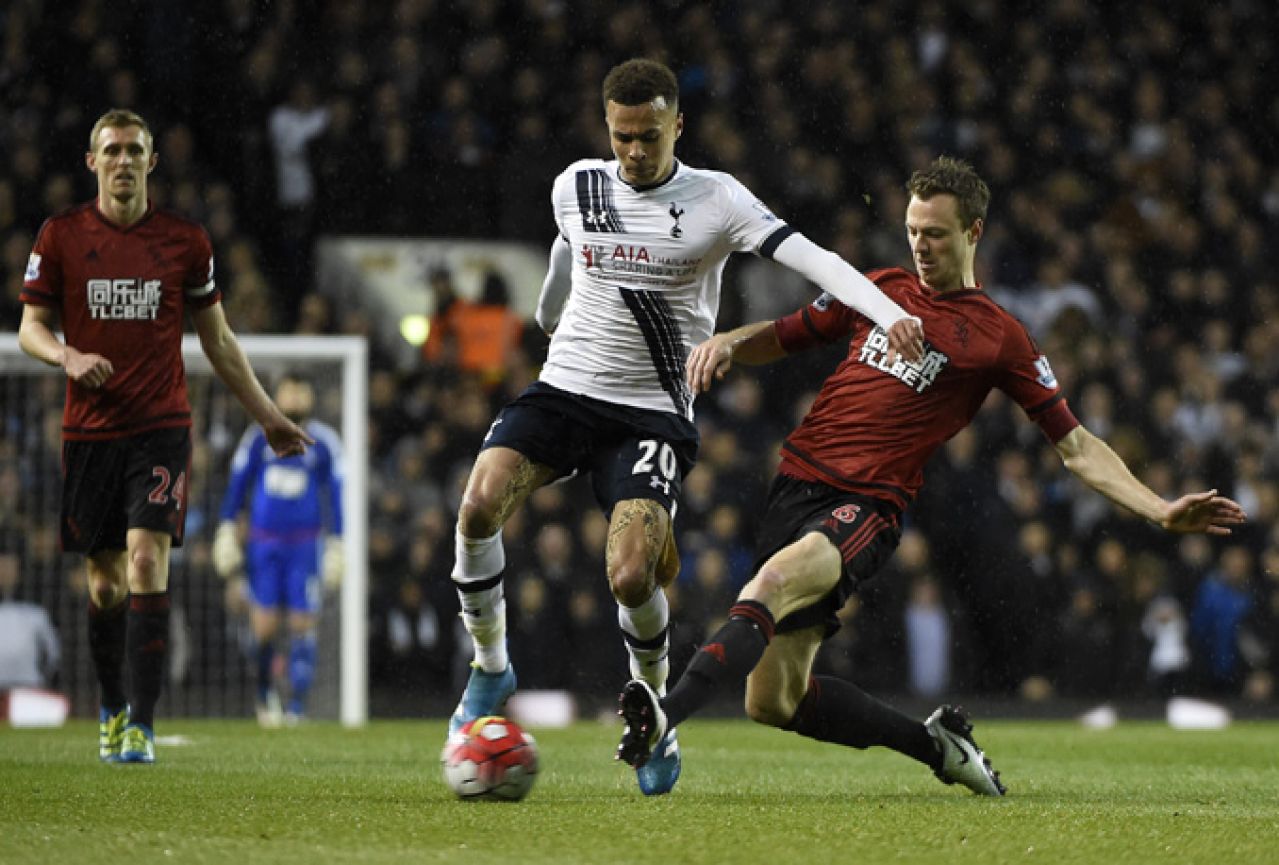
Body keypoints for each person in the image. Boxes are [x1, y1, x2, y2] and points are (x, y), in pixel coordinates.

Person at [615, 156, 1247, 796]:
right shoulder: (879, 287)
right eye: (914, 230)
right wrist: (728, 342)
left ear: (973, 232)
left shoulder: (999, 337)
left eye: (936, 234)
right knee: (773, 701)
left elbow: (1077, 446)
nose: (920, 245)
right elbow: (784, 335)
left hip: (866, 505)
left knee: (772, 582)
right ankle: (935, 744)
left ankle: (666, 714)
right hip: (796, 483)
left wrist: (1158, 507)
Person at [445, 58, 924, 797]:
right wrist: (548, 315)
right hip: (565, 388)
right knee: (477, 506)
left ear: (677, 124)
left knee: (631, 572)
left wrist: (890, 315)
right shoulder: (577, 184)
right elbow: (565, 252)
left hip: (651, 412)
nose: (633, 152)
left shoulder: (715, 199)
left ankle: (654, 717)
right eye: (620, 136)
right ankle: (490, 666)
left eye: (646, 136)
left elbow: (816, 260)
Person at [18, 109, 311, 764]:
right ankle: (112, 704)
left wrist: (266, 414)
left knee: (146, 560)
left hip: (159, 427)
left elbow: (220, 341)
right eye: (112, 150)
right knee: (103, 585)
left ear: (152, 162)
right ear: (92, 161)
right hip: (89, 430)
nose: (123, 161)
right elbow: (32, 325)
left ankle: (142, 727)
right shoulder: (61, 235)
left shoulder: (184, 242)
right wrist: (66, 356)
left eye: (135, 150)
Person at [212, 372, 344, 726]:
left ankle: (297, 707)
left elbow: (337, 493)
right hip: (264, 544)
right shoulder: (258, 438)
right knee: (264, 626)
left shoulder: (325, 442)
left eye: (301, 391)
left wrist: (337, 541)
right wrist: (226, 526)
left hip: (305, 545)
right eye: (290, 390)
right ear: (277, 396)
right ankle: (265, 696)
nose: (296, 398)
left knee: (303, 623)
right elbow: (238, 484)